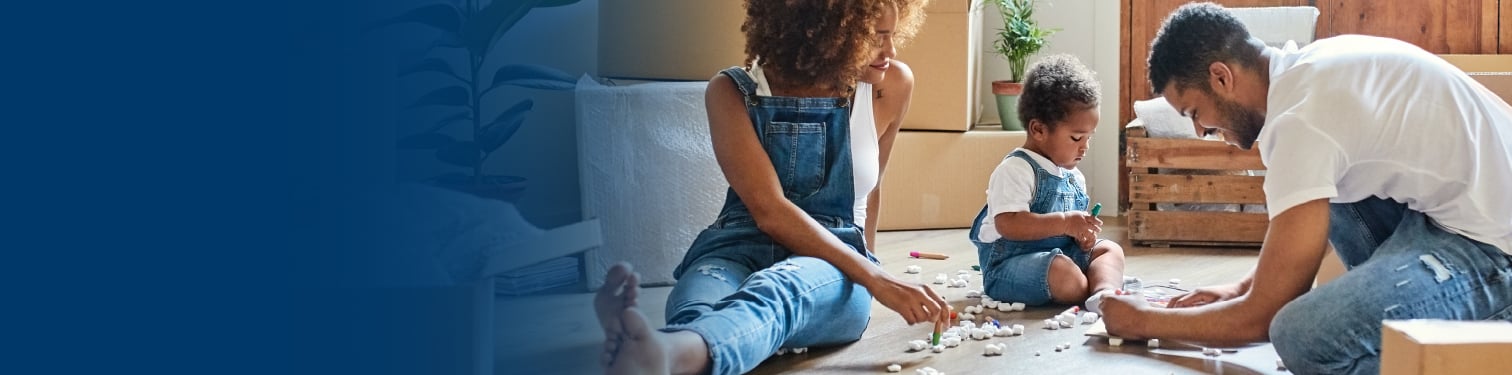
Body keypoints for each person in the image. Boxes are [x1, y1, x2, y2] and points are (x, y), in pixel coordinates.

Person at [1100, 3, 1512, 374]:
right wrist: (1239, 289)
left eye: (1194, 111)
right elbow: (1294, 243)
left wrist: (1142, 320)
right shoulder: (1308, 71)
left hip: (1493, 246)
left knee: (1301, 336)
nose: (1200, 130)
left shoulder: (1300, 119)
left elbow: (1262, 319)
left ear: (1221, 77)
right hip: (1456, 214)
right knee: (1325, 191)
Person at [593, 1, 945, 374]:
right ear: (828, 34)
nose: (890, 51)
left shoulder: (889, 86)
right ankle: (660, 351)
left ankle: (657, 349)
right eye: (877, 37)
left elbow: (872, 191)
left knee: (778, 292)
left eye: (893, 35)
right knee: (697, 304)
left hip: (834, 261)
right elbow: (769, 211)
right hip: (736, 247)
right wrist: (877, 278)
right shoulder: (731, 91)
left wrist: (870, 275)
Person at [967, 55, 1125, 311]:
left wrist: (1083, 238)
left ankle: (1103, 294)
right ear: (1038, 130)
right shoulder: (1016, 169)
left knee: (1110, 250)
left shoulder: (1074, 177)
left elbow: (1073, 237)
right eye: (1076, 138)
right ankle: (1086, 286)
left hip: (1059, 258)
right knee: (1066, 275)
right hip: (1011, 265)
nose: (1084, 147)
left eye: (1088, 138)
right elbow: (1008, 224)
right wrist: (1065, 223)